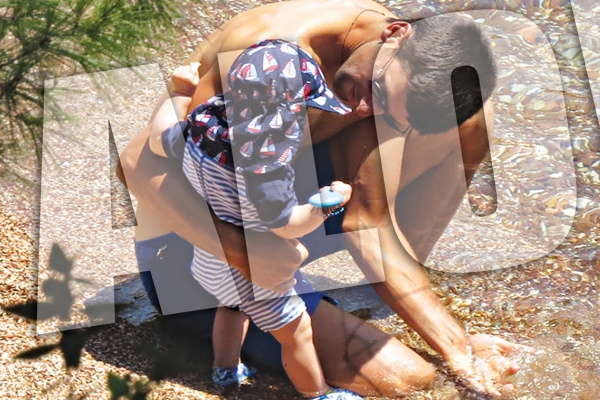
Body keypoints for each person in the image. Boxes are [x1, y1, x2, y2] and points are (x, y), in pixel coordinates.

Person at [120, 0, 534, 397]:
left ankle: (380, 305)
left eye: (385, 112)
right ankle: (330, 322)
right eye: (378, 92)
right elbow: (136, 162)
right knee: (409, 380)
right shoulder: (268, 57)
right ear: (396, 33)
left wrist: (455, 344)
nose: (363, 108)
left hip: (276, 218)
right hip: (191, 252)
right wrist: (246, 251)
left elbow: (366, 222)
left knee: (473, 117)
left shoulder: (378, 62)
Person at [147, 41, 361, 399]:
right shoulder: (265, 166)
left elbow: (158, 138)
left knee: (232, 308)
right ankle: (319, 393)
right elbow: (285, 223)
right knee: (298, 332)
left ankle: (225, 370)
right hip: (254, 270)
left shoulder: (201, 130)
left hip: (212, 256)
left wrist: (180, 92)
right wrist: (327, 204)